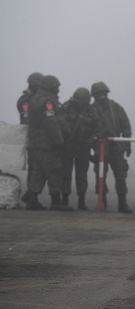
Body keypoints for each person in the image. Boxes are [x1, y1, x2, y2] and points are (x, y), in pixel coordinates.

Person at [26, 75, 72, 211]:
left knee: (38, 172)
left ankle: (32, 200)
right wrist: (59, 142)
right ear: (51, 87)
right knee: (55, 172)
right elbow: (50, 122)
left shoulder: (34, 99)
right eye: (57, 87)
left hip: (35, 143)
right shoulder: (47, 101)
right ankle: (56, 202)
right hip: (47, 144)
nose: (58, 90)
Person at [90, 81, 133, 213]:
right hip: (100, 149)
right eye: (99, 94)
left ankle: (122, 202)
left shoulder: (116, 108)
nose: (102, 96)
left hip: (116, 148)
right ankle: (102, 201)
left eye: (104, 93)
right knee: (100, 176)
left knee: (120, 176)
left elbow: (126, 126)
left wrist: (127, 144)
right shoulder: (91, 110)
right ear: (94, 95)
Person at [61, 87, 102, 210]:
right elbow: (57, 125)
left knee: (82, 176)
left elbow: (98, 129)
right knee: (65, 175)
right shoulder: (65, 108)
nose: (80, 105)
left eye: (83, 102)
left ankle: (81, 201)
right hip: (66, 148)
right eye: (79, 102)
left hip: (83, 148)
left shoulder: (91, 111)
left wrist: (91, 140)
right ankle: (64, 201)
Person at [17, 72, 44, 204]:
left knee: (38, 168)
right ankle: (32, 196)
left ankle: (31, 194)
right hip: (32, 139)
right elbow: (26, 120)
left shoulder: (34, 98)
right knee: (34, 168)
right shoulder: (26, 100)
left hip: (38, 139)